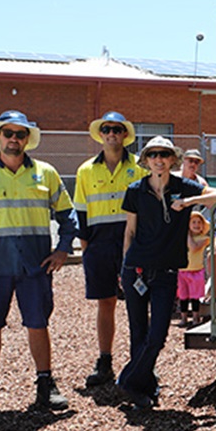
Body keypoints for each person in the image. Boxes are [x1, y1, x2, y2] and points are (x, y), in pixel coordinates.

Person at [0, 110, 79, 418]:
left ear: (28, 139)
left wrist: (63, 249)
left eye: (20, 134)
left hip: (35, 266)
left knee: (38, 324)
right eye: (9, 133)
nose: (14, 139)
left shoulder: (47, 173)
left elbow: (68, 216)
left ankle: (46, 386)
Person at [118, 137, 216, 409]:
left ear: (172, 159)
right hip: (137, 269)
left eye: (164, 154)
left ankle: (128, 380)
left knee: (158, 334)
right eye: (153, 155)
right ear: (146, 160)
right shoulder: (135, 190)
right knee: (138, 332)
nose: (159, 159)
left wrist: (189, 202)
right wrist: (124, 268)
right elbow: (129, 232)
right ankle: (144, 388)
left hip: (166, 271)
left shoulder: (182, 186)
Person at [73, 111, 147, 388]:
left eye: (117, 129)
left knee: (139, 303)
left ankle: (141, 361)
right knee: (106, 302)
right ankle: (105, 361)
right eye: (107, 129)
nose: (112, 133)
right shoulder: (85, 171)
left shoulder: (141, 167)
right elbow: (80, 211)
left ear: (125, 134)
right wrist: (86, 248)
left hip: (133, 242)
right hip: (100, 244)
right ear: (101, 134)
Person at [178, 211, 210, 327]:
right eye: (193, 222)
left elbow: (193, 247)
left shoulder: (204, 238)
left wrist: (186, 233)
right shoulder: (182, 238)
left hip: (196, 271)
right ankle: (184, 318)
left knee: (195, 296)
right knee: (183, 296)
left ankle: (196, 317)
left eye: (199, 222)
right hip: (182, 271)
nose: (196, 225)